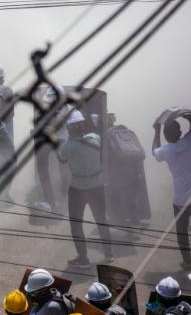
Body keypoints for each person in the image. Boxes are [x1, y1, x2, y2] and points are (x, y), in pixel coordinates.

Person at [152, 112, 191, 269]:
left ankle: (187, 262)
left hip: (181, 201)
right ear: (180, 133)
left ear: (166, 135)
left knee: (182, 233)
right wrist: (185, 114)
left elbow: (154, 151)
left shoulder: (165, 151)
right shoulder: (190, 140)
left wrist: (156, 130)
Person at [59, 109, 113, 268]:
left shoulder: (69, 146)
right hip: (97, 187)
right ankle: (109, 254)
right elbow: (95, 134)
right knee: (101, 220)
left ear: (69, 128)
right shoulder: (95, 138)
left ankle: (83, 259)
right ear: (82, 126)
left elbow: (62, 158)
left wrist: (69, 137)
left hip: (78, 189)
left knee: (76, 224)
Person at [105, 113, 151, 227]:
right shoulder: (125, 130)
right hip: (134, 170)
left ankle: (119, 220)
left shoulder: (107, 134)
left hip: (119, 172)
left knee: (114, 195)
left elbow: (107, 157)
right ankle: (135, 219)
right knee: (131, 196)